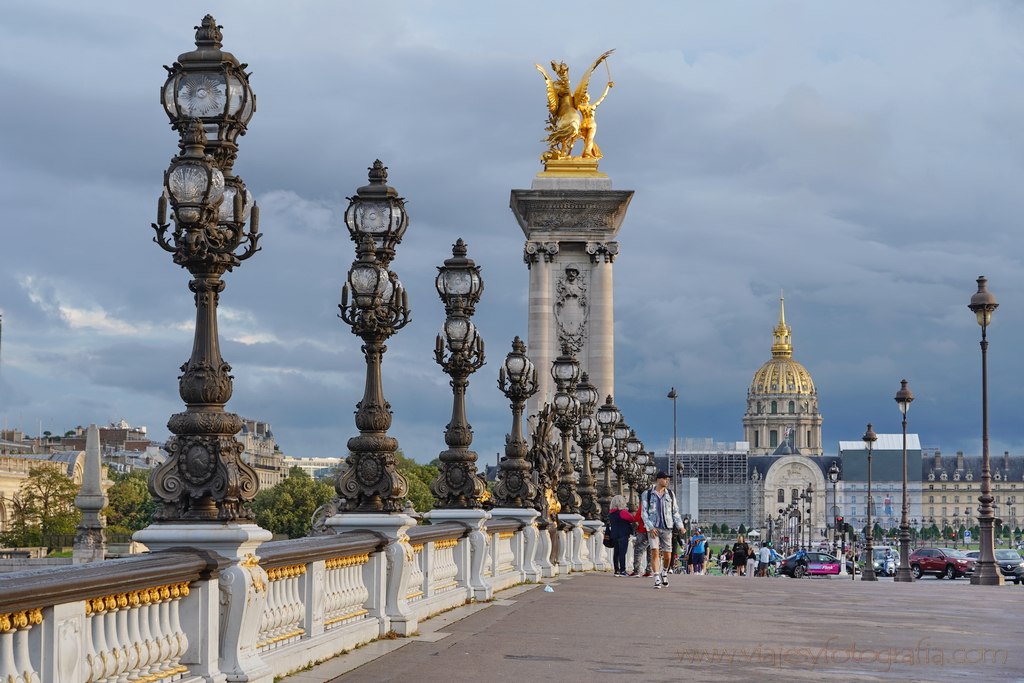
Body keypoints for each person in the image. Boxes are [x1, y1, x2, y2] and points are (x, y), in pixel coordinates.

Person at [640, 471, 686, 589]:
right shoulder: (648, 494)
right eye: (665, 478)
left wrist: (680, 526)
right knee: (654, 552)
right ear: (658, 480)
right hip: (653, 528)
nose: (667, 480)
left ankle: (664, 572)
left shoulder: (670, 494)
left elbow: (675, 512)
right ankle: (656, 578)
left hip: (667, 528)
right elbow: (644, 512)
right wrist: (650, 527)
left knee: (667, 556)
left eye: (668, 479)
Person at [606, 495, 634, 576]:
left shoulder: (611, 513)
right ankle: (622, 570)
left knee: (616, 553)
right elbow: (632, 519)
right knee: (622, 553)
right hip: (623, 535)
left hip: (614, 535)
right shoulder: (623, 512)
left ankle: (616, 570)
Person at [628, 502, 651, 577]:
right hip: (653, 532)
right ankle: (649, 571)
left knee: (638, 551)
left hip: (643, 530)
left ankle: (636, 571)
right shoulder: (657, 504)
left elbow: (637, 517)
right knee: (651, 552)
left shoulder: (644, 504)